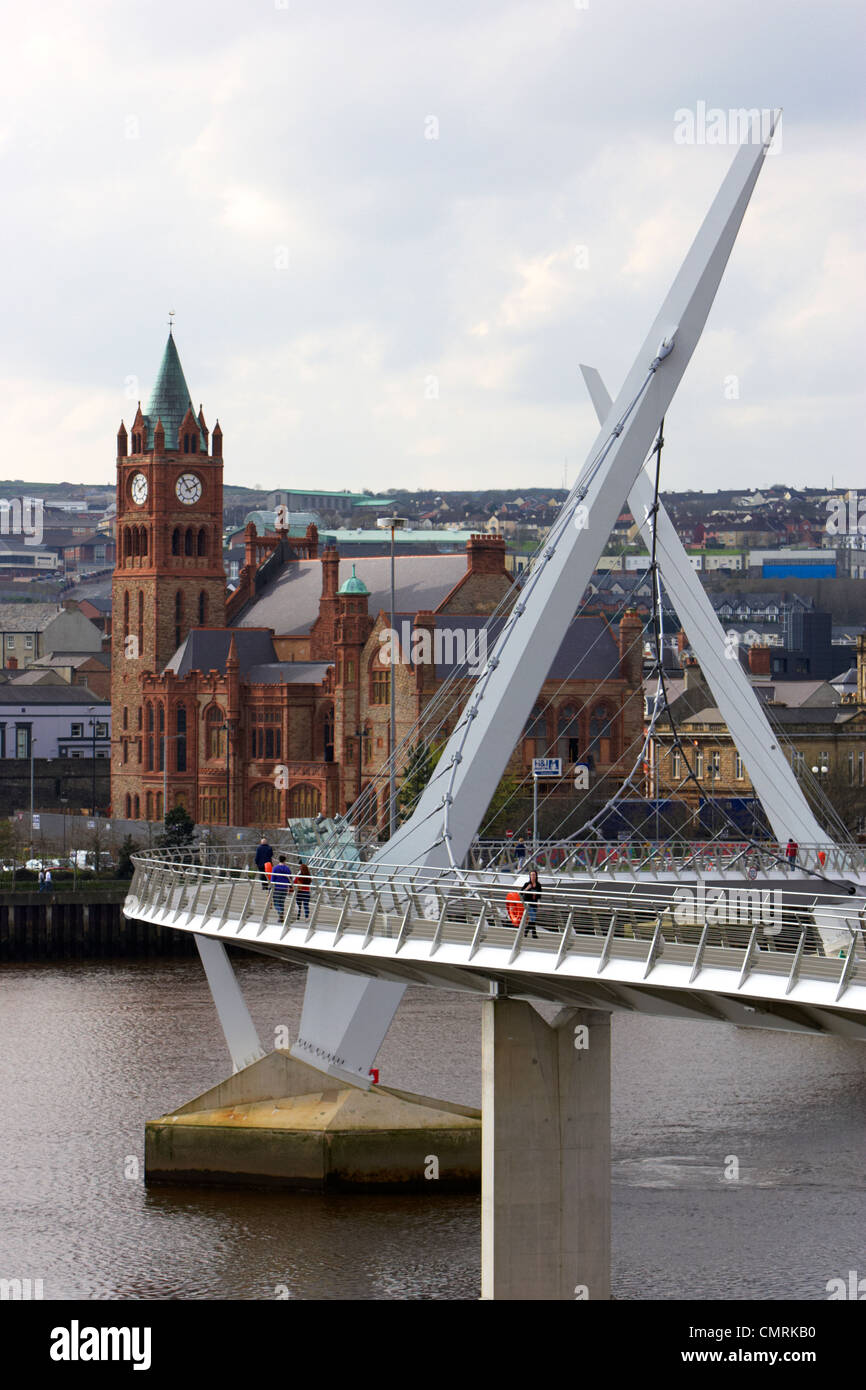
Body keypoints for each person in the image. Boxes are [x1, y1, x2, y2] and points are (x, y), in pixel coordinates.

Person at [521, 868, 542, 939]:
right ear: (530, 876)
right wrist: (527, 888)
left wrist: (539, 902)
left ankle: (527, 931)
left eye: (534, 875)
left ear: (536, 876)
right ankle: (533, 934)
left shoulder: (538, 885)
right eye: (531, 875)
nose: (533, 876)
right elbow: (520, 893)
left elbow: (539, 895)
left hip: (535, 903)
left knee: (533, 919)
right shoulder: (527, 884)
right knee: (533, 918)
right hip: (528, 903)